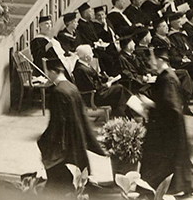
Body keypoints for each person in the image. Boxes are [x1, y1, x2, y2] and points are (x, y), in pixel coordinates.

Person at [36, 58, 105, 189]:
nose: (47, 76)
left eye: (48, 72)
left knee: (60, 183)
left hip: (65, 143)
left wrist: (45, 141)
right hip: (77, 138)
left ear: (53, 72)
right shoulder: (72, 87)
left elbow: (57, 122)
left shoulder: (58, 92)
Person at [140, 49, 193, 195]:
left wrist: (150, 104)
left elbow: (170, 107)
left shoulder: (168, 79)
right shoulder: (165, 76)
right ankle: (181, 186)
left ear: (161, 60)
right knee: (173, 157)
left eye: (151, 60)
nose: (149, 63)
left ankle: (161, 187)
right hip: (168, 125)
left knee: (165, 156)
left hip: (168, 127)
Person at [71, 44, 130, 116]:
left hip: (98, 93)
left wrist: (108, 79)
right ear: (86, 57)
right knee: (119, 89)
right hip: (94, 97)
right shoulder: (80, 69)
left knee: (120, 89)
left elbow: (96, 79)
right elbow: (93, 86)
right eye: (91, 53)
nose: (93, 55)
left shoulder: (84, 65)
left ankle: (121, 114)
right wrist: (107, 84)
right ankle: (123, 114)